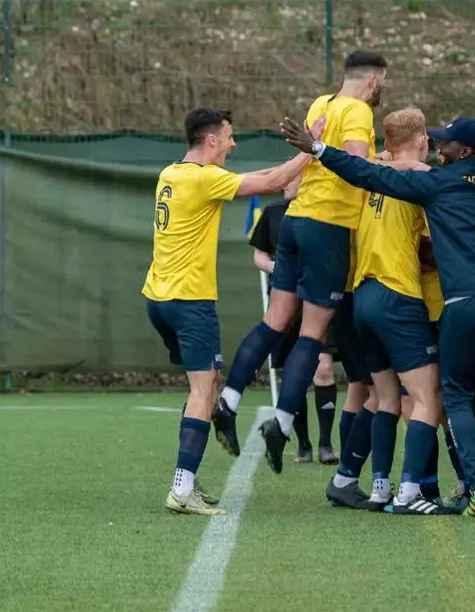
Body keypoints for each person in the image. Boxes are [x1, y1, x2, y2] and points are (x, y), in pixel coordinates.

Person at [280, 115, 475, 518]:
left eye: (446, 144)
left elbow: (365, 176)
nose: (439, 148)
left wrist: (318, 148)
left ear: (463, 151)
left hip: (461, 303)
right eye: (434, 142)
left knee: (454, 397)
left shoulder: (437, 185)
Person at [213, 50, 389, 475]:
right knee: (311, 335)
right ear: (373, 80)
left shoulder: (320, 104)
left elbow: (319, 156)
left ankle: (228, 402)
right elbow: (357, 169)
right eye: (384, 81)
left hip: (294, 222)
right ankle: (284, 424)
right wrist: (388, 164)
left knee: (275, 321)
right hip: (328, 227)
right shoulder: (360, 111)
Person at [142, 108, 318, 515]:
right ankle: (181, 490)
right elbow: (273, 182)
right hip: (189, 302)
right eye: (230, 136)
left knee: (205, 383)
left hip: (159, 297)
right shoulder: (205, 178)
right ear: (211, 141)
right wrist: (313, 149)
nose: (234, 143)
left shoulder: (171, 173)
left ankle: (187, 479)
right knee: (205, 391)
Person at [332, 107, 452, 515]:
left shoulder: (372, 178)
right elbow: (435, 248)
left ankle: (381, 487)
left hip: (362, 295)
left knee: (384, 398)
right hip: (397, 293)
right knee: (428, 397)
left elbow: (375, 161)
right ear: (422, 140)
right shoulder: (419, 178)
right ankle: (410, 492)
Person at [249, 172, 340, 465]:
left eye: (298, 178)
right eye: (289, 179)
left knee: (323, 368)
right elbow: (259, 256)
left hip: (318, 298)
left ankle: (326, 444)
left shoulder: (325, 210)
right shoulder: (272, 213)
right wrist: (277, 266)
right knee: (292, 371)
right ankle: (303, 444)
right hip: (285, 302)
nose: (291, 183)